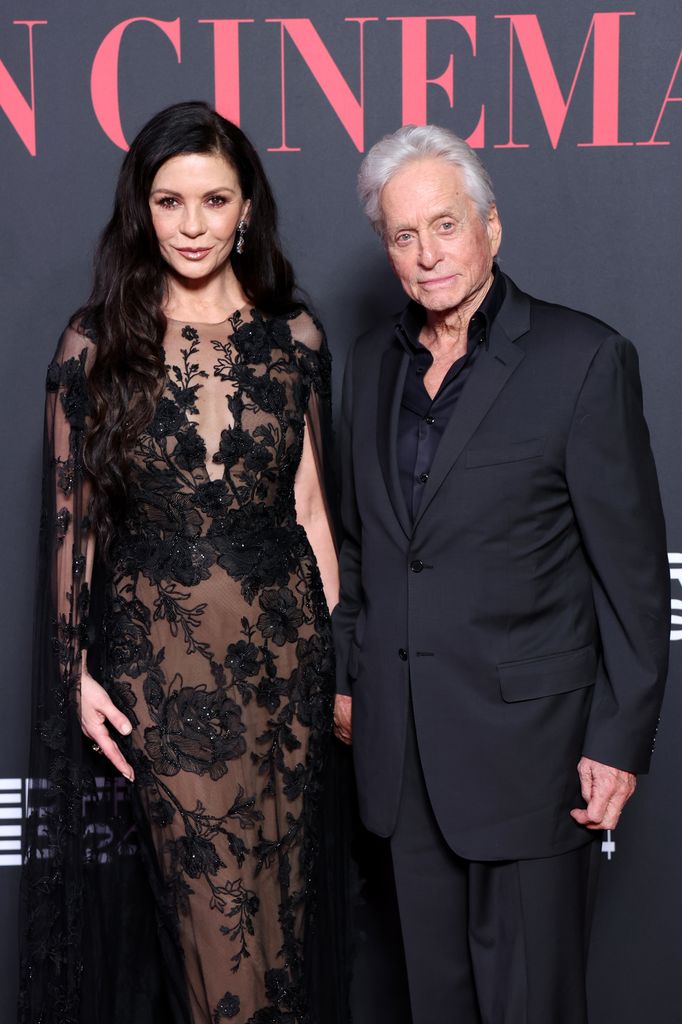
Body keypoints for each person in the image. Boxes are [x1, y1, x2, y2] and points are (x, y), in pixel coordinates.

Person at [332, 124, 670, 1024]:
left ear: (491, 227)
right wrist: (349, 674)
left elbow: (633, 576)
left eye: (444, 225)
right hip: (402, 765)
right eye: (402, 236)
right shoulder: (369, 365)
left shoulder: (582, 360)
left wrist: (619, 739)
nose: (426, 253)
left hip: (535, 759)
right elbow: (363, 545)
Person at [19, 101, 344, 1024]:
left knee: (280, 933)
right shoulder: (97, 344)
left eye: (213, 200)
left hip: (287, 666)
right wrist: (74, 671)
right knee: (213, 930)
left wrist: (336, 663)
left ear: (247, 209)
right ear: (143, 210)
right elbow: (71, 524)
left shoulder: (297, 339)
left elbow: (315, 517)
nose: (191, 226)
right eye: (170, 202)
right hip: (164, 674)